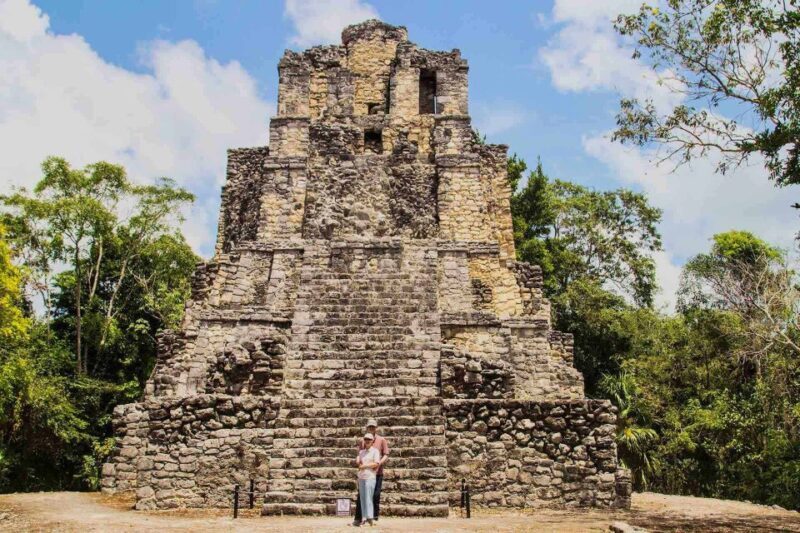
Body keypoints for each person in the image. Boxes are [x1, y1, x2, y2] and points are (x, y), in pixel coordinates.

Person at [352, 419, 389, 526]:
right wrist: (358, 461)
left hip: (377, 471)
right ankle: (359, 518)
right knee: (362, 496)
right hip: (365, 473)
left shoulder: (381, 440)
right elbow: (360, 453)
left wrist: (378, 464)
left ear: (376, 428)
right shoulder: (363, 441)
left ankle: (374, 517)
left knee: (375, 495)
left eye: (373, 426)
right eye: (370, 427)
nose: (371, 428)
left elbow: (386, 454)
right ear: (367, 428)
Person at [356, 433, 381, 526]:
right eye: (366, 439)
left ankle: (369, 518)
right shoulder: (361, 452)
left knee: (368, 498)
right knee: (362, 498)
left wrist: (365, 466)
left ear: (372, 441)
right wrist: (358, 462)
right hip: (362, 476)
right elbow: (359, 463)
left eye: (369, 439)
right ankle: (364, 518)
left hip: (370, 477)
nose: (367, 441)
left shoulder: (375, 451)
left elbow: (376, 463)